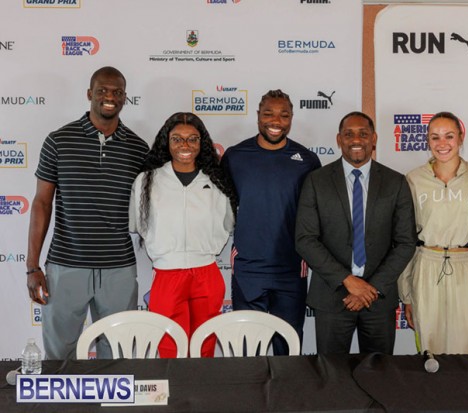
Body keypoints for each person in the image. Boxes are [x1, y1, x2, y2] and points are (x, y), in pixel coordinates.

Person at [26, 66, 149, 359]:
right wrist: (32, 266)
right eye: (102, 90)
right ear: (89, 94)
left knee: (117, 354)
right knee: (59, 355)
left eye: (117, 92)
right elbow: (42, 203)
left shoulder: (138, 148)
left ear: (125, 98)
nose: (110, 97)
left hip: (118, 267)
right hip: (66, 265)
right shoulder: (58, 140)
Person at [296, 111, 416, 355]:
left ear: (374, 138)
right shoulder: (316, 181)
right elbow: (305, 239)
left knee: (379, 373)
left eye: (363, 133)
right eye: (348, 134)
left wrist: (370, 289)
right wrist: (348, 281)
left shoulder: (396, 182)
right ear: (339, 139)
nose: (356, 140)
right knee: (331, 372)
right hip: (332, 296)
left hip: (378, 299)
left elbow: (405, 243)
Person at [220, 89, 321, 355]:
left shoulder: (307, 161)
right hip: (248, 269)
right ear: (258, 116)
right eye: (268, 114)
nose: (275, 121)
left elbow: (317, 216)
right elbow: (220, 206)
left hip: (291, 269)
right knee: (247, 348)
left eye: (283, 115)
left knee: (287, 348)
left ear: (291, 119)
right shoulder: (235, 156)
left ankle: (285, 385)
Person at [129, 112, 237, 358]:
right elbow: (138, 224)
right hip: (167, 274)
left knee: (204, 347)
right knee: (169, 347)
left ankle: (203, 385)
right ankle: (174, 386)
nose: (185, 145)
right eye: (177, 139)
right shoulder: (147, 180)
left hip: (206, 273)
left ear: (202, 143)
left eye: (192, 139)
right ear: (166, 142)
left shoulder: (216, 180)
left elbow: (228, 222)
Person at [397, 112, 468, 355]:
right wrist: (406, 294)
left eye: (449, 136)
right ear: (427, 140)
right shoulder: (413, 179)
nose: (442, 143)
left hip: (465, 265)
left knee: (467, 344)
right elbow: (405, 239)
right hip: (426, 264)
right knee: (430, 348)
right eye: (435, 137)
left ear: (461, 138)